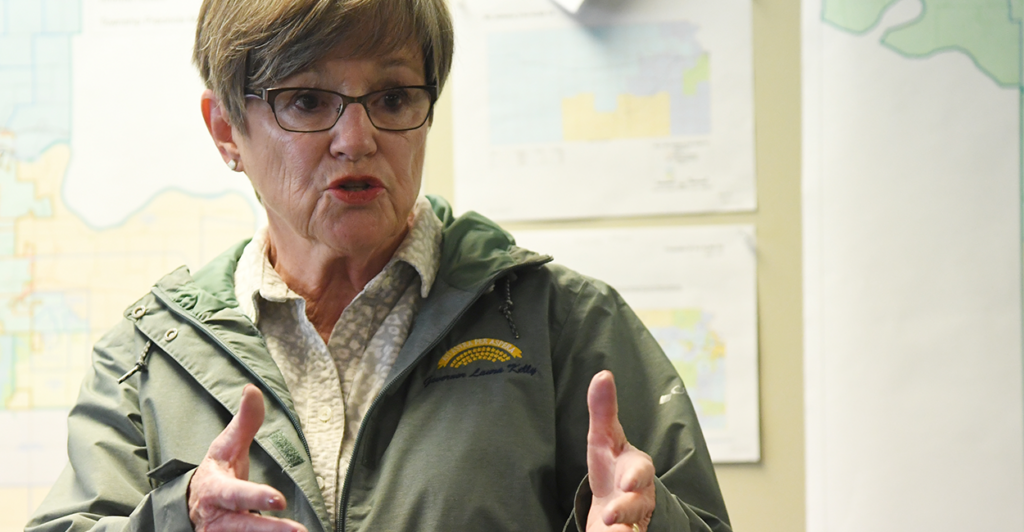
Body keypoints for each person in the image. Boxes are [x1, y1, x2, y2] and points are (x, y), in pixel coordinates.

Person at [25, 1, 732, 531]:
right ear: (225, 131)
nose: (356, 139)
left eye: (393, 97)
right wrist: (177, 519)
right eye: (306, 100)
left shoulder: (565, 324)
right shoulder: (148, 360)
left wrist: (651, 523)